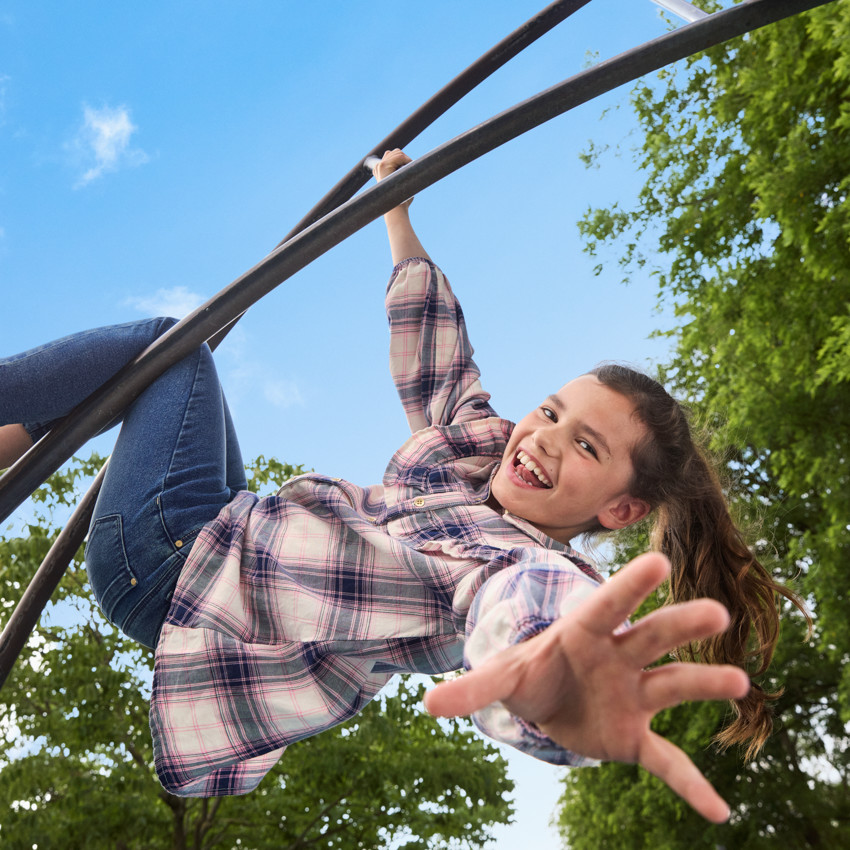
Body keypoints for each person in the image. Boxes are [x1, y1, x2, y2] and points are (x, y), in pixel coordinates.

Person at [0, 150, 801, 824]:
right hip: (221, 546)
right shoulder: (479, 454)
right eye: (552, 412)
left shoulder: (522, 565)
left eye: (585, 446)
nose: (544, 439)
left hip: (176, 566)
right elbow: (439, 358)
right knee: (158, 375)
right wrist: (397, 210)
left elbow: (529, 613)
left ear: (620, 508)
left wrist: (557, 678)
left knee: (170, 349)